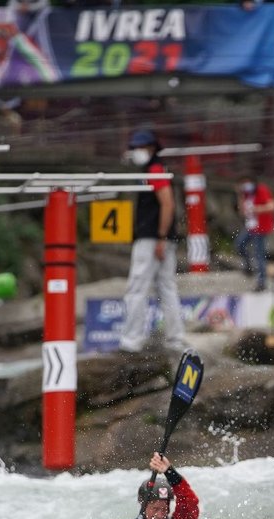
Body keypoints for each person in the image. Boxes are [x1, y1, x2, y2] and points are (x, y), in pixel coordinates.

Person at [118, 128, 186, 353]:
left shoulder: (155, 170)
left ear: (150, 148)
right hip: (160, 237)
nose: (136, 151)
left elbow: (167, 203)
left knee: (137, 288)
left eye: (139, 147)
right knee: (166, 287)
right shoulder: (156, 169)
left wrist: (160, 237)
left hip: (151, 237)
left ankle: (131, 341)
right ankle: (175, 338)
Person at [235, 174, 274, 291]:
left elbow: (272, 206)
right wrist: (239, 195)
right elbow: (242, 212)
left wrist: (257, 209)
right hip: (251, 227)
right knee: (240, 244)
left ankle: (262, 282)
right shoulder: (246, 194)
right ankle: (248, 266)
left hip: (261, 227)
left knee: (259, 254)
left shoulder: (261, 190)